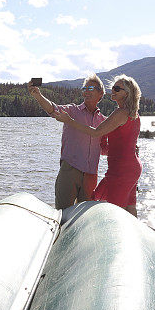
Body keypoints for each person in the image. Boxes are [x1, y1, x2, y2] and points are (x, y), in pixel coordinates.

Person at [54, 75, 142, 217]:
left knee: (112, 211)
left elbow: (96, 132)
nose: (113, 90)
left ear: (127, 93)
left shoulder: (120, 113)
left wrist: (69, 120)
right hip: (131, 167)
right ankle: (138, 237)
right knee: (130, 208)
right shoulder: (134, 114)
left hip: (121, 170)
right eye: (113, 87)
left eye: (117, 89)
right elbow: (114, 145)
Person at [28, 74, 107, 210]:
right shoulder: (72, 111)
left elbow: (105, 149)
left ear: (101, 93)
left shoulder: (104, 121)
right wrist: (38, 96)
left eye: (91, 88)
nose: (86, 91)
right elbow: (52, 109)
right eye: (84, 88)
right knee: (62, 214)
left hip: (91, 176)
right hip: (70, 170)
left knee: (84, 218)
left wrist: (128, 150)